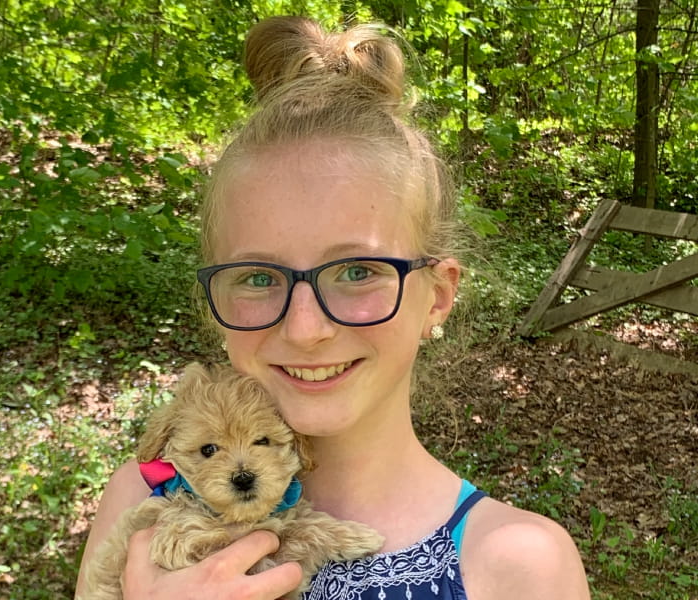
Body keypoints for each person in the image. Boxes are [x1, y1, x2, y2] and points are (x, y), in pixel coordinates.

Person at [75, 15, 590, 600]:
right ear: (216, 305)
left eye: (357, 271)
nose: (305, 327)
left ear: (438, 296)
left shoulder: (518, 567)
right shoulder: (141, 505)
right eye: (258, 277)